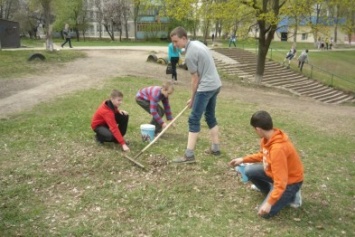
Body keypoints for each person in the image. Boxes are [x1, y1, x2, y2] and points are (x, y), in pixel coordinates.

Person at [229, 110, 304, 219]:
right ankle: (271, 191)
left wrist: (269, 203)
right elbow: (263, 155)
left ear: (258, 129)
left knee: (264, 213)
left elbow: (281, 181)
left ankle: (293, 196)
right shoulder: (268, 138)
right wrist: (243, 160)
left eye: (254, 129)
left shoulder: (278, 149)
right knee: (249, 171)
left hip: (290, 182)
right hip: (275, 174)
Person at [169, 26, 222, 164]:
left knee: (193, 119)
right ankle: (216, 148)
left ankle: (189, 155)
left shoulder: (190, 54)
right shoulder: (198, 43)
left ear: (184, 38)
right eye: (173, 42)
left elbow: (195, 79)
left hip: (206, 87)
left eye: (176, 41)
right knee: (210, 116)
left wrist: (193, 99)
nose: (175, 45)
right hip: (216, 84)